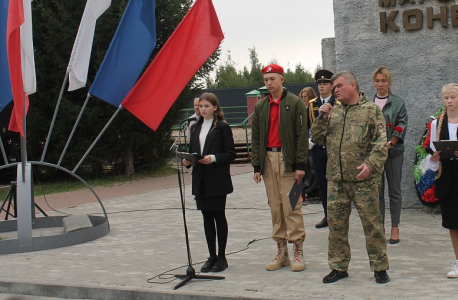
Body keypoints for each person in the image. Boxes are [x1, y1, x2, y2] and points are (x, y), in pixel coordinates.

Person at [311, 71, 389, 284]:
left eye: (338, 86)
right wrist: (321, 117)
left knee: (372, 225)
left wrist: (371, 165)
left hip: (364, 180)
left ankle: (380, 267)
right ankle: (338, 266)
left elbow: (381, 144)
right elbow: (316, 138)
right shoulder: (333, 111)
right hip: (336, 179)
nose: (334, 90)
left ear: (352, 85)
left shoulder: (371, 110)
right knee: (336, 225)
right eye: (333, 87)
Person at [251, 64, 308, 272]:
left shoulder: (294, 103)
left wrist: (301, 165)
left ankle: (298, 251)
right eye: (266, 80)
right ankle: (281, 251)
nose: (269, 83)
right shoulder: (261, 106)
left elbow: (302, 136)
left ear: (282, 79)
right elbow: (256, 136)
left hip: (289, 160)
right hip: (268, 160)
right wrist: (256, 165)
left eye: (272, 79)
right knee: (275, 207)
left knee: (292, 205)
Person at [182, 92, 236, 273]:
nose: (202, 109)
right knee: (206, 217)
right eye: (200, 106)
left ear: (215, 108)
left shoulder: (222, 127)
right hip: (201, 179)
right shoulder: (195, 127)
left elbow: (230, 154)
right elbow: (192, 150)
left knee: (218, 216)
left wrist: (212, 158)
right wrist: (188, 161)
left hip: (217, 178)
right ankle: (211, 255)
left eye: (206, 106)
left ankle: (222, 256)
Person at [372, 66, 408, 244]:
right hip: (374, 155)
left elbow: (401, 125)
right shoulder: (368, 103)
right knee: (377, 192)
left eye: (383, 81)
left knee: (394, 191)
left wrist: (391, 143)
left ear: (389, 82)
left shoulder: (398, 103)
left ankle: (395, 226)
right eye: (377, 81)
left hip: (393, 153)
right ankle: (380, 228)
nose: (380, 84)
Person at [428, 83, 458, 278]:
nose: (449, 101)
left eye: (453, 97)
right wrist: (434, 159)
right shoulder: (436, 124)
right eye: (446, 98)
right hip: (448, 176)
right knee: (453, 222)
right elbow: (431, 156)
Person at [309, 69, 335, 228]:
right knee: (322, 183)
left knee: (335, 184)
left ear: (332, 85)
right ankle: (327, 215)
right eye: (319, 83)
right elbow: (308, 125)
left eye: (325, 83)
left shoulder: (337, 102)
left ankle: (337, 215)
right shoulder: (312, 104)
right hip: (318, 149)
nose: (322, 86)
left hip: (332, 148)